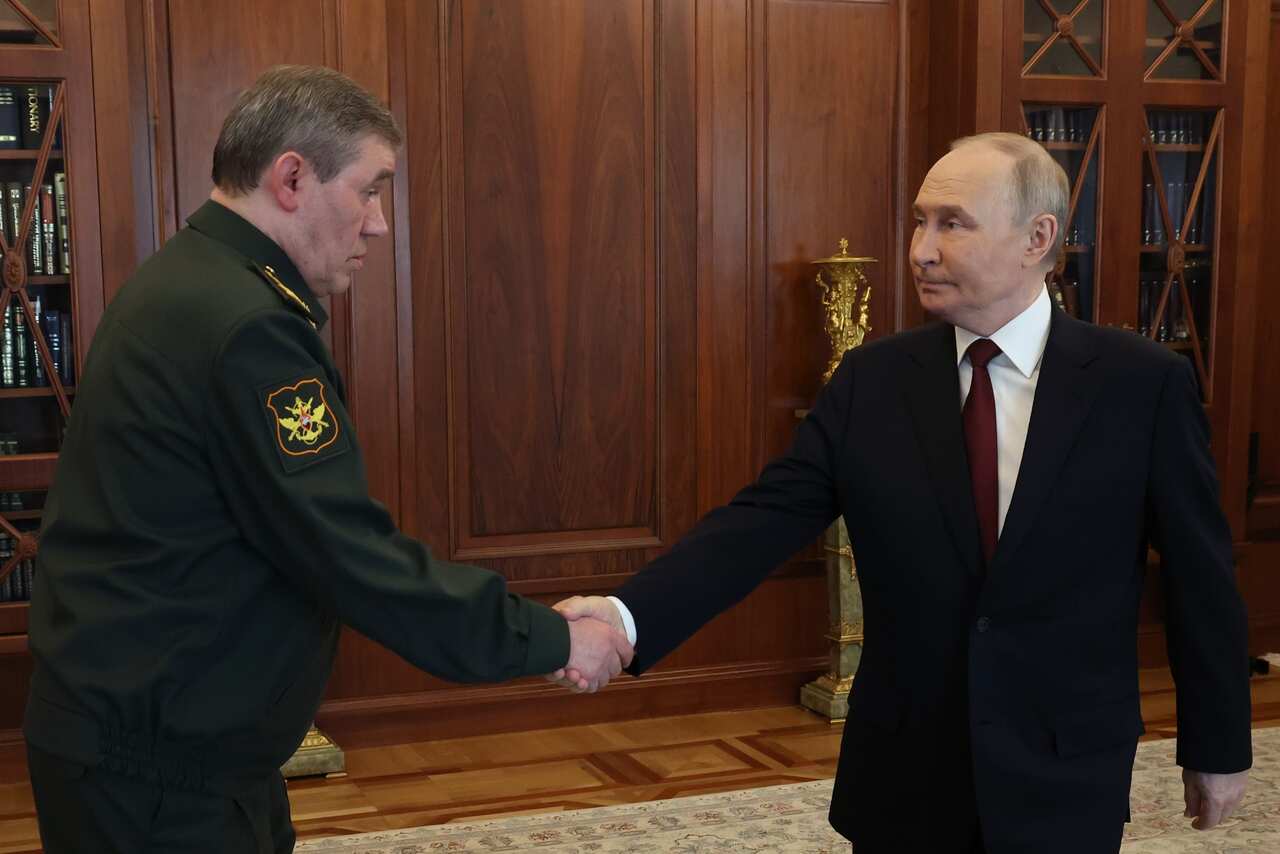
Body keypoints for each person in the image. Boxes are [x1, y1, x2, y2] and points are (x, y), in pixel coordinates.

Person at [550, 132, 1252, 853]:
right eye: (920, 220)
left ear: (1037, 238)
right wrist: (623, 619)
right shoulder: (871, 381)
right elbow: (759, 522)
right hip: (904, 773)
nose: (920, 248)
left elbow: (1202, 577)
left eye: (952, 223)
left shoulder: (1140, 385)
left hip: (1064, 770)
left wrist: (1219, 744)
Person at [23, 65, 632, 854]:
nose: (379, 223)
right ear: (291, 177)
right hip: (160, 778)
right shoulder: (249, 326)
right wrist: (551, 639)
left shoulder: (191, 280)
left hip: (151, 748)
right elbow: (349, 555)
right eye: (371, 188)